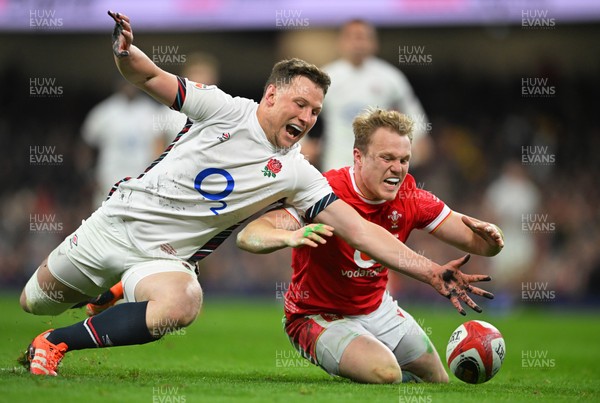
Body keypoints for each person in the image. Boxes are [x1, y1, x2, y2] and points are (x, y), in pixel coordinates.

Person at [18, 11, 492, 377]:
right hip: (114, 226)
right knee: (34, 300)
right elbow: (149, 77)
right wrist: (125, 51)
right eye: (300, 104)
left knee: (183, 304)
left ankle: (55, 342)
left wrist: (431, 271)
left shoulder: (297, 173)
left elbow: (360, 230)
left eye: (315, 110)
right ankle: (105, 291)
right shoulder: (224, 109)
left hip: (166, 258)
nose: (307, 117)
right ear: (270, 96)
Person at [237, 108, 504, 383]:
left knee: (438, 381)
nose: (397, 168)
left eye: (404, 159)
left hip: (377, 309)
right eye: (387, 158)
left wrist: (493, 239)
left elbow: (479, 241)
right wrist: (287, 237)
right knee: (386, 372)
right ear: (358, 157)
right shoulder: (322, 191)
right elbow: (249, 235)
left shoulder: (412, 197)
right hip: (316, 315)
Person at [301, 19, 432, 171]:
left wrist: (417, 141)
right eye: (352, 37)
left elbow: (413, 111)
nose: (358, 44)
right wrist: (303, 144)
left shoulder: (390, 78)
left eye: (363, 37)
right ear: (341, 42)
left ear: (374, 43)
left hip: (378, 167)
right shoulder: (325, 77)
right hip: (336, 165)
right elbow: (300, 112)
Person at [81, 79, 168, 208]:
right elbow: (86, 144)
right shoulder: (104, 112)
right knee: (106, 223)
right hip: (108, 180)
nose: (129, 86)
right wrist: (89, 175)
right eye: (125, 82)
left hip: (141, 182)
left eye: (132, 81)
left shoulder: (152, 112)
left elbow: (161, 147)